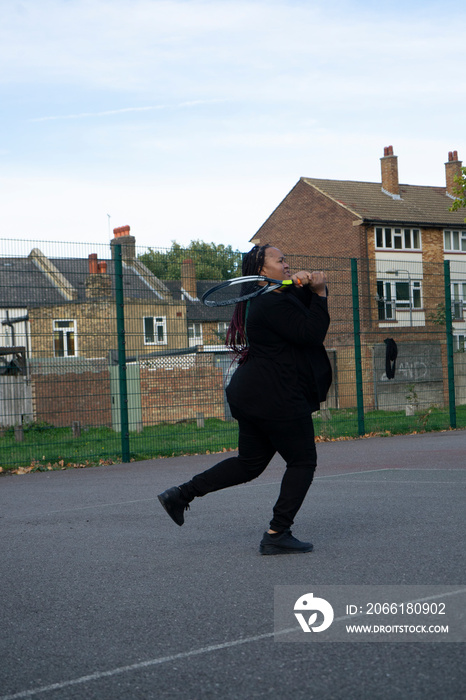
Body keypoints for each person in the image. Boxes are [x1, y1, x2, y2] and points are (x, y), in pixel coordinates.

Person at [158, 244, 332, 555]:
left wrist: (310, 287)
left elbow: (299, 314)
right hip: (274, 396)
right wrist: (320, 294)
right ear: (262, 270)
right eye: (281, 260)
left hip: (254, 394)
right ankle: (278, 532)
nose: (287, 264)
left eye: (286, 258)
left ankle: (181, 494)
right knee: (303, 461)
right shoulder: (269, 304)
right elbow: (310, 333)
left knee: (249, 464)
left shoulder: (275, 297)